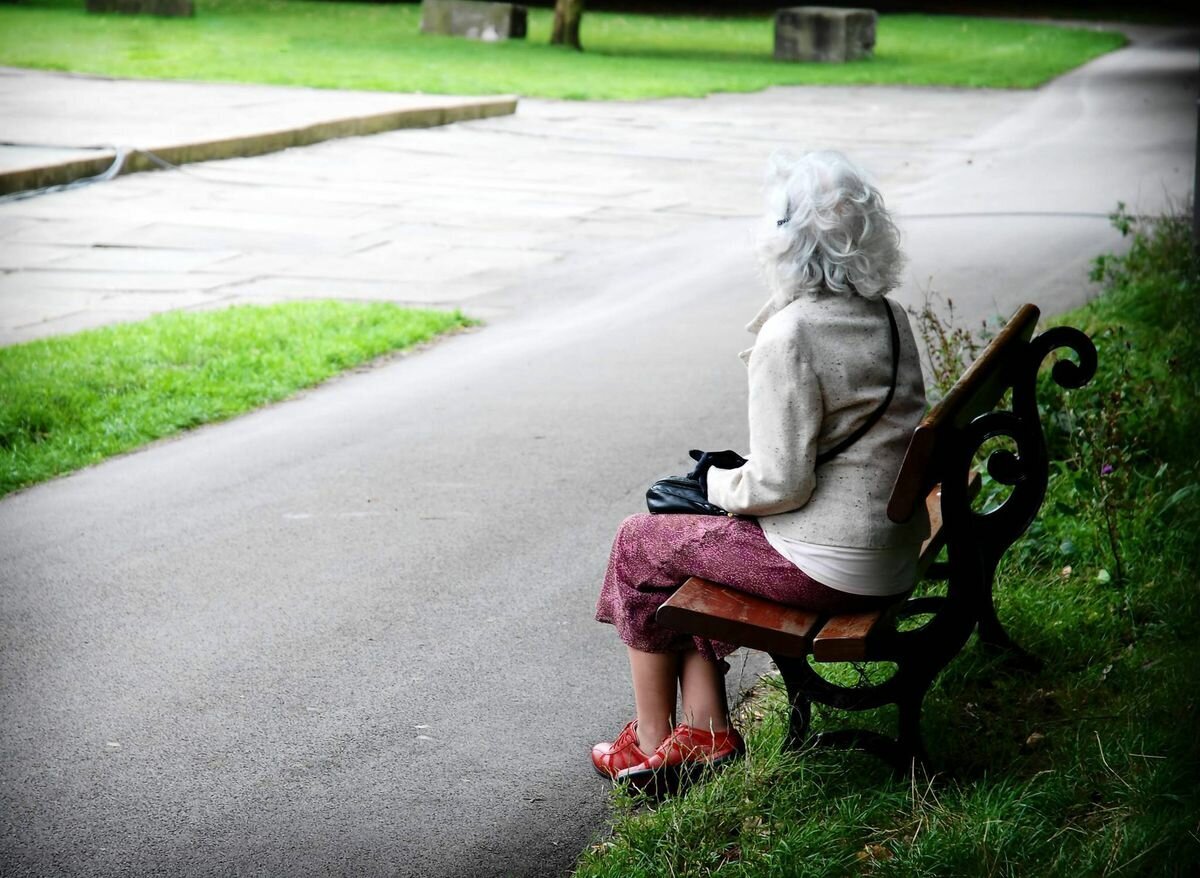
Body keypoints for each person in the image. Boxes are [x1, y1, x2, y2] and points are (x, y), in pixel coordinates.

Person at [591, 150, 931, 791]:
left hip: (831, 567)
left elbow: (780, 484)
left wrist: (712, 486)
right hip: (892, 554)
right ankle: (705, 727)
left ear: (784, 242)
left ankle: (652, 742)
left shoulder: (791, 335)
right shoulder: (890, 318)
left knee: (639, 541)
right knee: (685, 541)